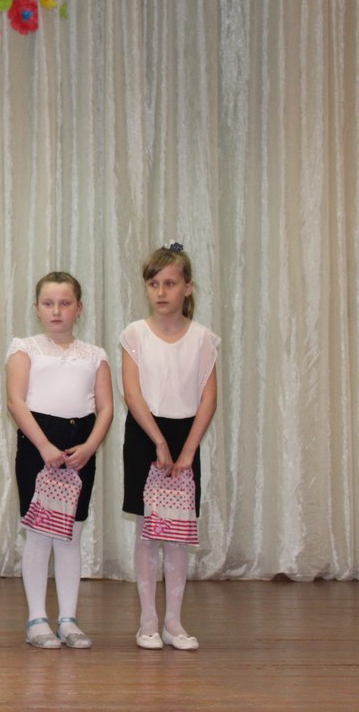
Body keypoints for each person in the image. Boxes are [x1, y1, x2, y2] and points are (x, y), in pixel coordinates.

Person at [7, 272, 112, 649]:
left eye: (65, 303)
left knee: (70, 534)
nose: (56, 311)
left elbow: (106, 408)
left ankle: (68, 619)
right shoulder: (25, 348)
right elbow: (16, 401)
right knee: (38, 534)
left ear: (79, 308)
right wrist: (43, 446)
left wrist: (90, 447)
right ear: (37, 308)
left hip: (79, 449)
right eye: (48, 303)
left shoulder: (95, 355)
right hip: (39, 445)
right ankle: (37, 619)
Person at [121, 244, 219, 651]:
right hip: (146, 434)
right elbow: (132, 393)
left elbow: (208, 398)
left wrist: (189, 450)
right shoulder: (134, 334)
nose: (161, 292)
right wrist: (158, 441)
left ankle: (173, 622)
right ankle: (147, 620)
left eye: (170, 283)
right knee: (149, 530)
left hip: (185, 437)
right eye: (154, 284)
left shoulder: (203, 338)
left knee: (178, 533)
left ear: (187, 288)